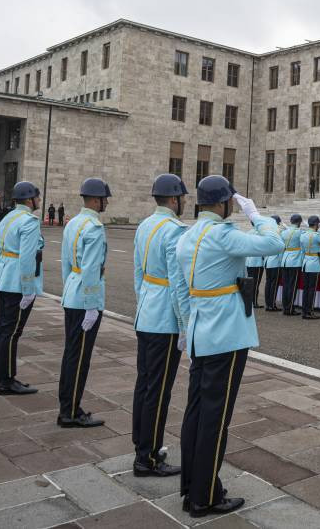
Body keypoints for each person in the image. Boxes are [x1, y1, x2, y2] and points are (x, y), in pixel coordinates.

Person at [175, 177, 282, 518]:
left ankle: (191, 486)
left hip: (201, 331)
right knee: (216, 417)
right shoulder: (221, 235)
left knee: (196, 412)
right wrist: (256, 215)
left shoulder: (187, 235)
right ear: (223, 204)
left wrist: (185, 328)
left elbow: (180, 289)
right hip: (226, 333)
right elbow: (274, 243)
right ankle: (205, 496)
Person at [132, 173, 190, 477]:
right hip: (165, 318)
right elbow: (179, 284)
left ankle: (142, 445)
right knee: (158, 391)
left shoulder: (144, 225)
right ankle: (149, 457)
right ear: (174, 199)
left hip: (146, 312)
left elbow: (138, 273)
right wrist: (185, 324)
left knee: (144, 385)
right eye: (183, 198)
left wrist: (142, 303)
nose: (184, 203)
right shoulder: (175, 230)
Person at [55, 178, 111, 428]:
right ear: (96, 200)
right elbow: (91, 269)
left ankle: (67, 407)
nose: (106, 203)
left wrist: (70, 289)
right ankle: (70, 412)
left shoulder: (74, 223)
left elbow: (66, 262)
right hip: (85, 298)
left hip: (72, 292)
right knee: (79, 358)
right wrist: (90, 304)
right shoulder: (94, 228)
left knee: (71, 353)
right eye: (105, 199)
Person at [0, 181, 44, 395]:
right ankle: (7, 380)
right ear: (29, 199)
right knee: (11, 332)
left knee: (2, 329)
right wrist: (28, 288)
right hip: (18, 283)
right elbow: (27, 258)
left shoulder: (8, 217)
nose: (39, 200)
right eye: (37, 197)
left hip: (5, 278)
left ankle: (1, 376)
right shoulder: (29, 221)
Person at [299, 215, 320, 320]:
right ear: (316, 224)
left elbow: (302, 251)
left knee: (306, 288)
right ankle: (309, 312)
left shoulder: (303, 235)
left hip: (305, 262)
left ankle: (305, 311)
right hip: (314, 264)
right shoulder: (316, 235)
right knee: (312, 289)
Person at [279, 215, 305, 315]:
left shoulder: (284, 232)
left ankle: (285, 307)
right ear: (299, 222)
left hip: (285, 260)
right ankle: (290, 308)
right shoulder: (300, 232)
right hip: (295, 260)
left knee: (286, 285)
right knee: (292, 286)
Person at [261, 216, 283, 312]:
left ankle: (268, 304)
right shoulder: (278, 232)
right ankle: (272, 305)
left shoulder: (267, 232)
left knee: (268, 283)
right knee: (274, 284)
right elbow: (281, 247)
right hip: (275, 261)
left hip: (267, 261)